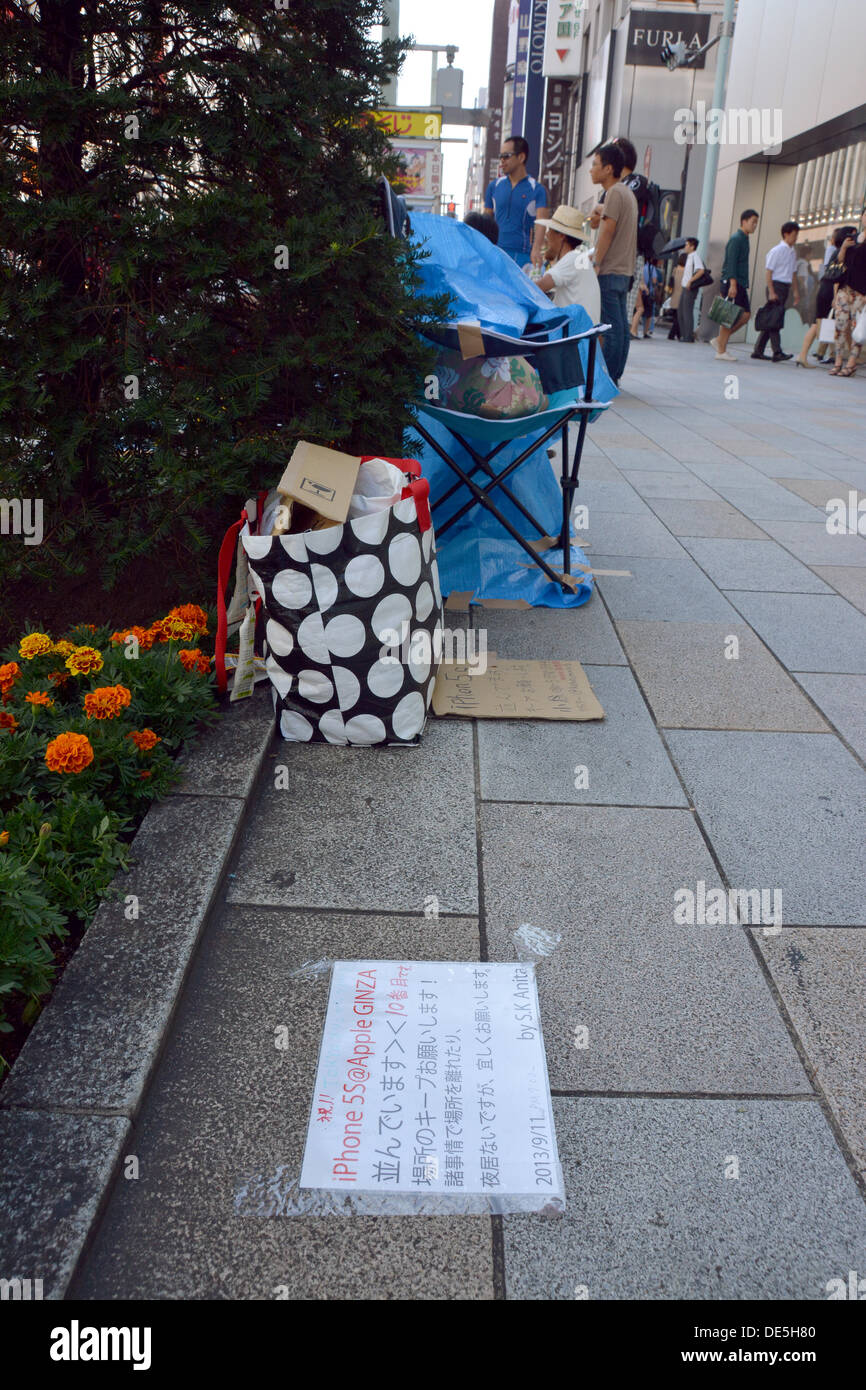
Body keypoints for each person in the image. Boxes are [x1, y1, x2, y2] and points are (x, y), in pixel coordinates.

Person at [590, 141, 638, 386]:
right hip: (624, 270)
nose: (591, 170)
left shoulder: (615, 193)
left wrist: (596, 262)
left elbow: (607, 230)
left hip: (611, 269)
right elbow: (600, 223)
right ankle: (615, 376)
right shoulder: (626, 193)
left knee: (610, 328)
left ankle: (605, 379)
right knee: (620, 326)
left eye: (595, 165)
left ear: (608, 169)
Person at [795, 225, 857, 368]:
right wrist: (835, 297)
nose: (855, 239)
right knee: (819, 324)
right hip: (831, 291)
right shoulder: (841, 252)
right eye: (852, 236)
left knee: (836, 324)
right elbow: (837, 278)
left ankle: (850, 355)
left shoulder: (840, 252)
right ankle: (803, 355)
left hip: (826, 289)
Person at [484, 137, 548, 268]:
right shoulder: (494, 186)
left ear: (521, 157)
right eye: (500, 156)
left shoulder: (537, 189)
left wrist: (536, 249)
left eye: (506, 156)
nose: (502, 160)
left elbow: (541, 223)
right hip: (495, 253)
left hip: (522, 256)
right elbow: (486, 221)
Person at [534, 204, 599, 320]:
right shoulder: (579, 258)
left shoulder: (573, 258)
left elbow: (537, 287)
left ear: (561, 236)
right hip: (584, 333)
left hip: (573, 334)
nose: (546, 235)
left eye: (550, 231)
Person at [711, 209, 759, 360]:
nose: (755, 225)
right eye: (753, 222)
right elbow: (731, 262)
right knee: (728, 315)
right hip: (733, 282)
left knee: (745, 315)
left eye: (757, 223)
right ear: (743, 221)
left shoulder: (744, 238)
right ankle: (721, 351)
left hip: (739, 283)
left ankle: (720, 341)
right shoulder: (736, 238)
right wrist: (733, 284)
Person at [751, 220, 801, 362]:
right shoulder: (776, 251)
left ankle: (758, 350)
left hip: (785, 287)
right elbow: (769, 272)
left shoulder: (792, 252)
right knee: (775, 319)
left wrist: (796, 292)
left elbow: (793, 273)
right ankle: (777, 352)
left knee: (772, 319)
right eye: (794, 235)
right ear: (786, 234)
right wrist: (772, 291)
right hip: (776, 286)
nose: (796, 238)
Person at [830, 207, 866, 378]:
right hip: (845, 289)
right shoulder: (852, 238)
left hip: (862, 292)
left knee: (857, 329)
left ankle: (851, 364)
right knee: (840, 325)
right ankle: (838, 361)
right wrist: (843, 247)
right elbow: (839, 263)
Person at [678, 236, 706, 342]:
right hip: (684, 287)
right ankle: (684, 334)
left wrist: (690, 281)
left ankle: (688, 336)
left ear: (692, 246)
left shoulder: (695, 256)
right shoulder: (689, 257)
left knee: (687, 312)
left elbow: (701, 270)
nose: (685, 246)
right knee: (681, 311)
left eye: (687, 244)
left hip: (690, 288)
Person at [630, 257, 661, 338]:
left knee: (636, 310)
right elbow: (653, 280)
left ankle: (634, 331)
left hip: (638, 290)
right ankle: (642, 331)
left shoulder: (642, 265)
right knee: (646, 313)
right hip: (645, 292)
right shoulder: (651, 268)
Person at [667, 253, 687, 339]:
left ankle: (678, 335)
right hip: (682, 295)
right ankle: (672, 335)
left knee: (676, 317)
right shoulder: (686, 271)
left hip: (674, 295)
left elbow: (671, 282)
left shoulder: (675, 269)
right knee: (678, 318)